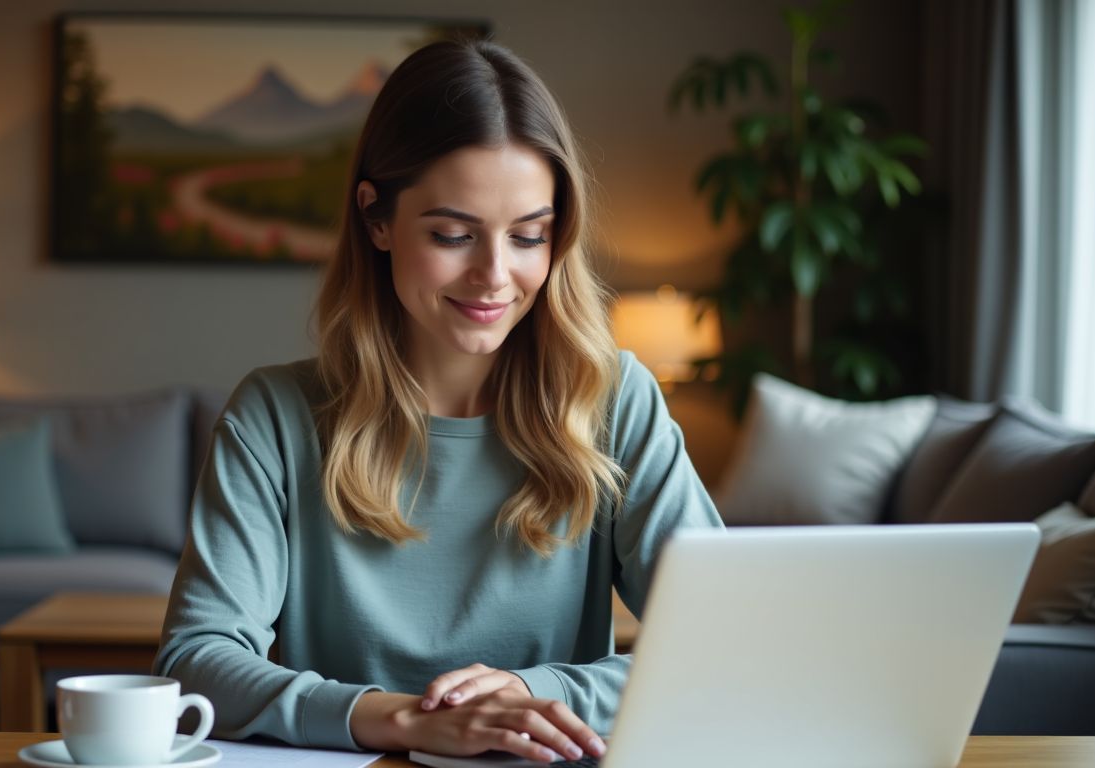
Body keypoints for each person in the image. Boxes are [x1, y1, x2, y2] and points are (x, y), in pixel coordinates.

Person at [154, 39, 722, 764]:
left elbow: (719, 646)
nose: (494, 275)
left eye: (528, 237)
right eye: (453, 234)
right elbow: (194, 662)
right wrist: (400, 719)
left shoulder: (615, 401)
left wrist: (529, 696)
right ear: (376, 218)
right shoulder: (275, 415)